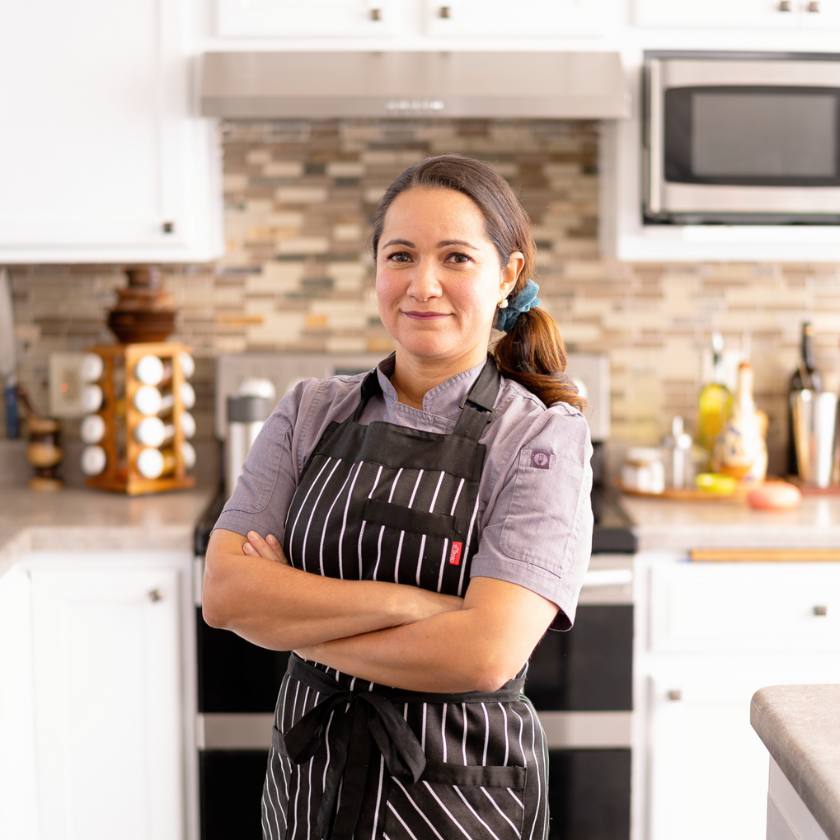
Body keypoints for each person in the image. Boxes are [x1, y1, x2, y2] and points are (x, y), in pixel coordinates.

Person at [203, 153, 594, 840]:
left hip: (456, 800)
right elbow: (228, 594)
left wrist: (290, 616)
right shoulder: (310, 409)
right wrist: (409, 606)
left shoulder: (541, 437)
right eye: (401, 255)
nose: (423, 284)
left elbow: (484, 655)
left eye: (456, 258)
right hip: (308, 789)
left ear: (508, 275)